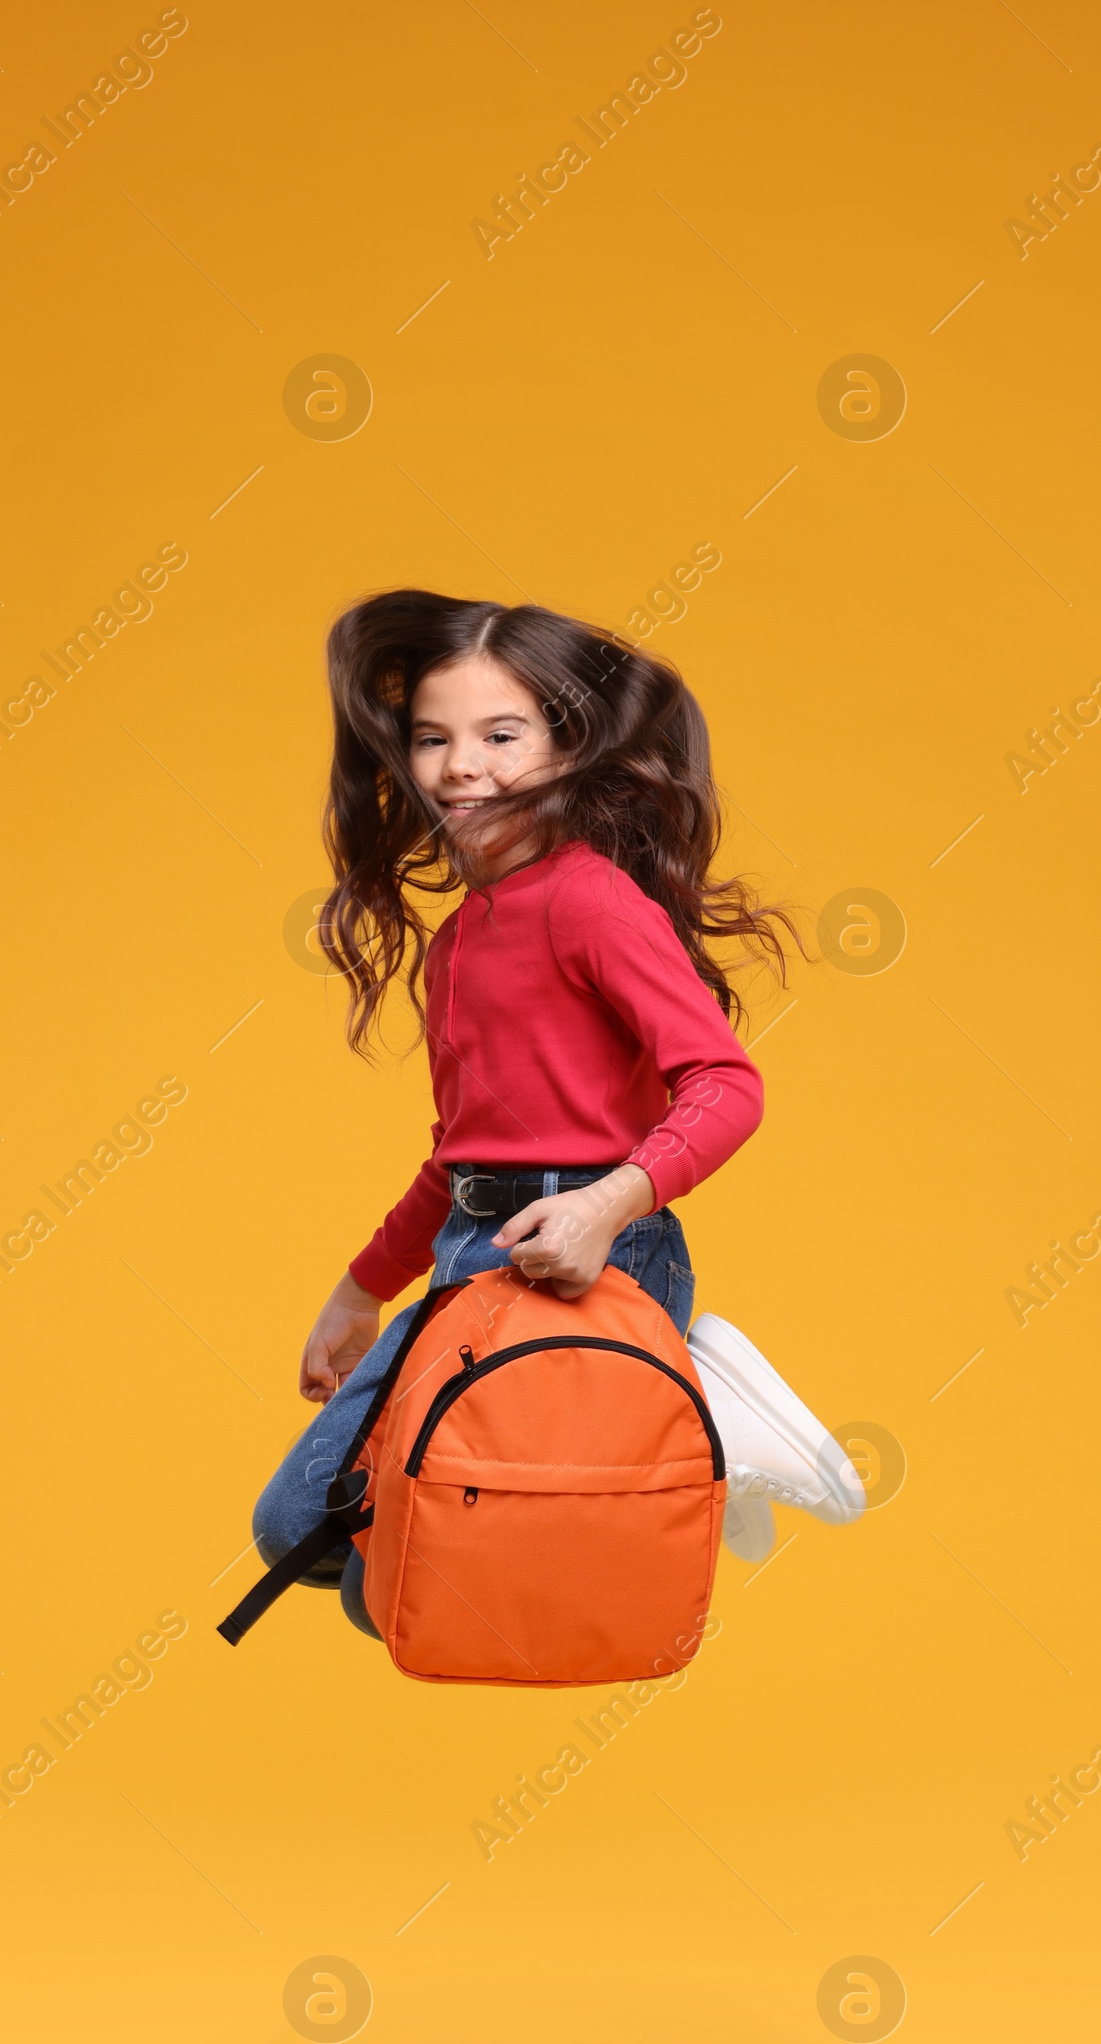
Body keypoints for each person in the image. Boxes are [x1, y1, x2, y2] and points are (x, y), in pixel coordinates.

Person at [252, 590, 863, 1634]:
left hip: (594, 1252)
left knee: (446, 1554)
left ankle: (684, 1417)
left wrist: (603, 1208)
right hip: (469, 1249)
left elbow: (726, 1083)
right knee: (303, 1527)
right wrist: (358, 1293)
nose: (460, 767)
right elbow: (460, 1159)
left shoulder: (587, 900)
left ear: (565, 744)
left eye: (500, 735)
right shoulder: (460, 942)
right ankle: (680, 1406)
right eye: (433, 739)